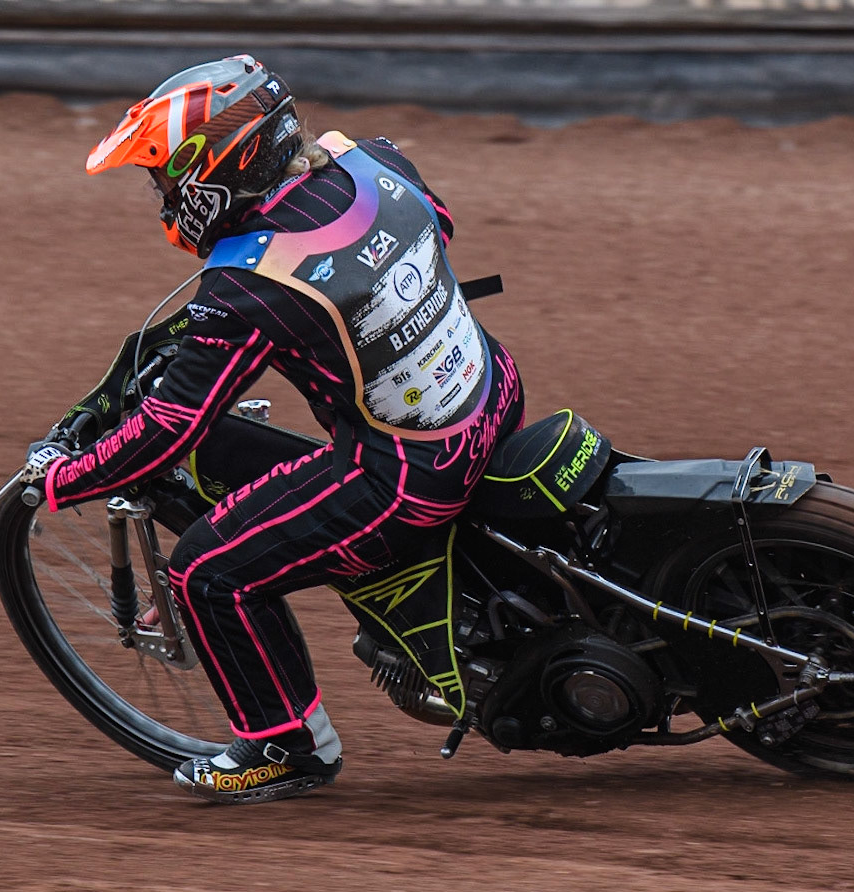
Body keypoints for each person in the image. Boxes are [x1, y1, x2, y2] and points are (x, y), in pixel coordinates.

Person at [26, 54, 525, 804]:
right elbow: (439, 223)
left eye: (166, 179)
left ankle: (287, 746)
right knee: (232, 460)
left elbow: (168, 427)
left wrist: (61, 480)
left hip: (410, 475)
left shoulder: (250, 283)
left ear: (214, 169)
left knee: (207, 571)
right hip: (493, 391)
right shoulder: (375, 162)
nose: (163, 198)